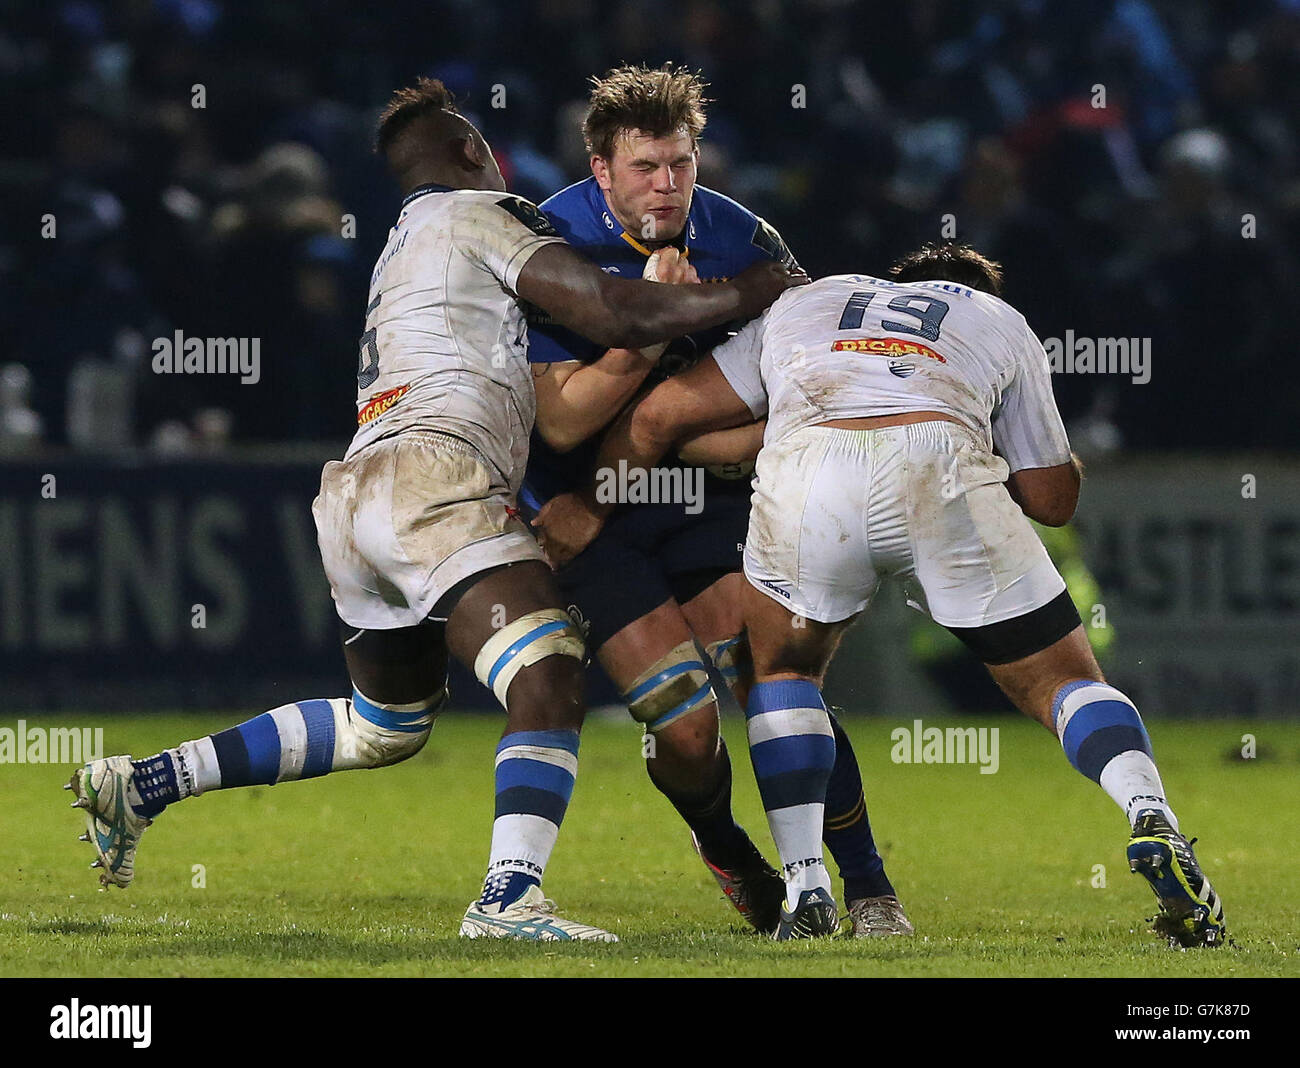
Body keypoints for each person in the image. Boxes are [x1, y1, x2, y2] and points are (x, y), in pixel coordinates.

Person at [65, 78, 799, 943]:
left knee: (382, 725)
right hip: (438, 479)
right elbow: (613, 307)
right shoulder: (480, 213)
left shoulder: (399, 244)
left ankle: (145, 783)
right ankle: (508, 900)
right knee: (550, 668)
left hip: (355, 491)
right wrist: (746, 291)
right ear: (469, 156)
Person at [535, 243, 1226, 947]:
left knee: (783, 673)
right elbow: (1052, 499)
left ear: (892, 283)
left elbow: (659, 421)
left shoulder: (809, 301)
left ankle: (806, 885)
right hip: (940, 462)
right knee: (1065, 682)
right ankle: (1149, 815)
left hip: (812, 469)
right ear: (971, 291)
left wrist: (596, 501)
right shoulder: (995, 318)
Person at [523, 63, 910, 937]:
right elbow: (558, 421)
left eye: (682, 165)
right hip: (587, 512)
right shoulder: (550, 248)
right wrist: (653, 317)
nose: (668, 187)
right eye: (645, 169)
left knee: (779, 678)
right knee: (688, 731)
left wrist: (703, 438)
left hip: (706, 501)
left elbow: (807, 383)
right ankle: (725, 846)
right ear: (600, 169)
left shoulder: (748, 244)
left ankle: (869, 887)